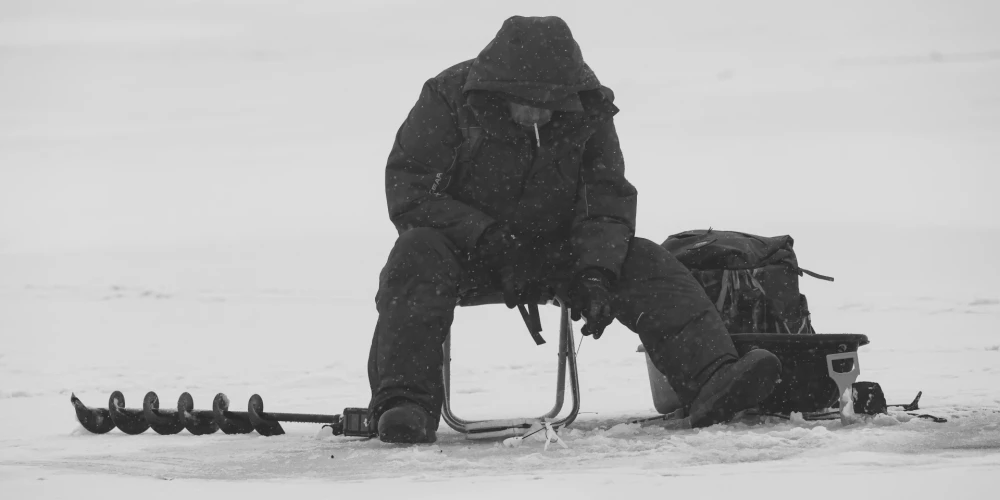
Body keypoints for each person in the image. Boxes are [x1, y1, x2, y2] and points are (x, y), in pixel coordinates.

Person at [368, 16, 781, 443]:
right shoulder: (447, 97)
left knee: (642, 258)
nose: (536, 111)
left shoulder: (588, 109)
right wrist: (489, 238)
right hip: (466, 253)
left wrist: (595, 272)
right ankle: (405, 406)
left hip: (558, 254)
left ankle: (714, 378)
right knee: (415, 253)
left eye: (548, 102)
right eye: (525, 100)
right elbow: (411, 191)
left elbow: (606, 199)